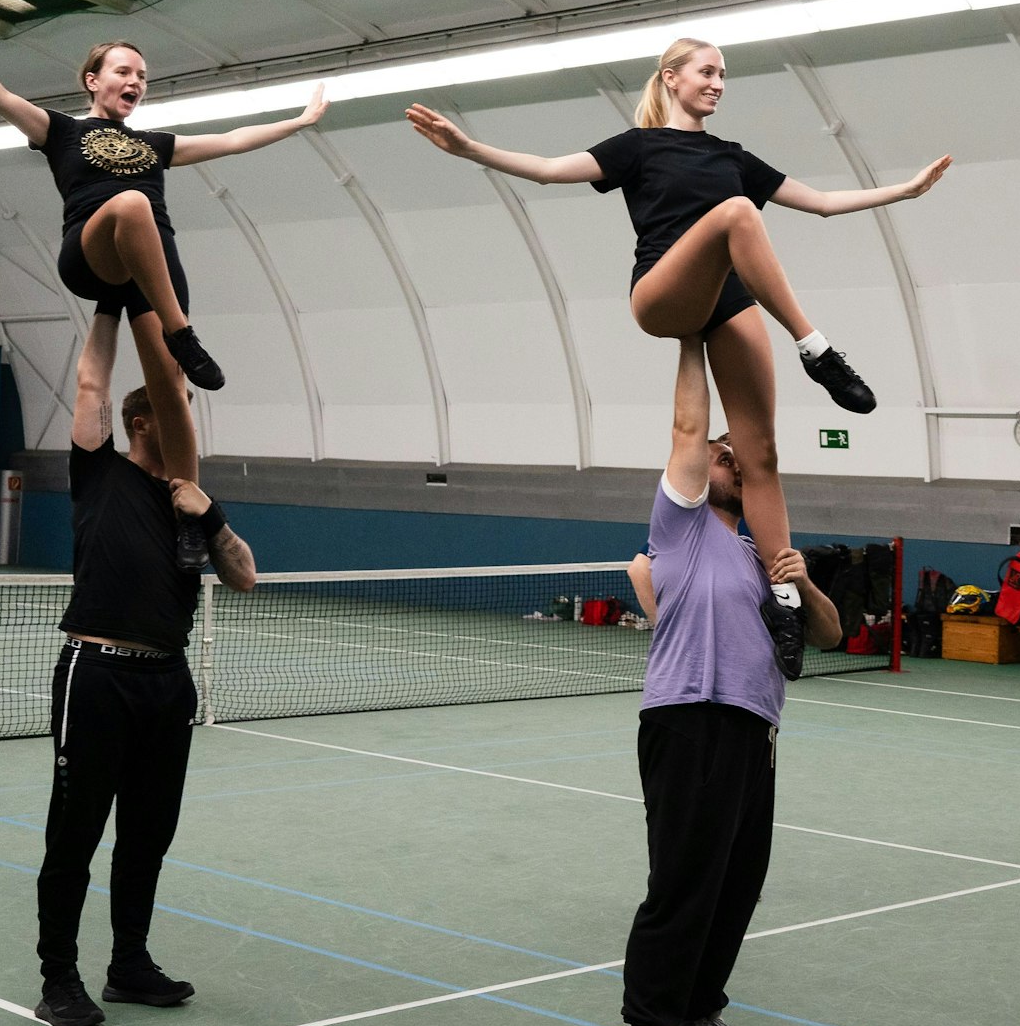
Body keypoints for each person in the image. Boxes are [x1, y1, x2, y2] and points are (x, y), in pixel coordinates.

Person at [407, 38, 950, 603]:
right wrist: (468, 148)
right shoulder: (638, 148)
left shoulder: (733, 157)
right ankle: (816, 349)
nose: (717, 83)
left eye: (723, 75)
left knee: (758, 452)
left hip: (725, 304)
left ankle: (784, 598)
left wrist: (905, 191)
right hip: (663, 292)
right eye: (707, 72)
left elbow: (821, 202)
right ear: (671, 78)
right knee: (737, 211)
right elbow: (547, 170)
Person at [0, 41, 324, 563]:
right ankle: (183, 334)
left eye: (143, 76)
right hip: (94, 249)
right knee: (130, 201)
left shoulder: (154, 144)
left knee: (169, 389)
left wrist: (299, 122)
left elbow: (233, 139)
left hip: (155, 268)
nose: (136, 82)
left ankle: (189, 514)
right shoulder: (61, 132)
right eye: (124, 71)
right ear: (92, 80)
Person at [615, 337, 841, 1026]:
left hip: (754, 730)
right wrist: (692, 336)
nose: (729, 457)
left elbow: (832, 635)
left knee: (736, 883)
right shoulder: (681, 527)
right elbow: (689, 431)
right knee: (680, 880)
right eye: (723, 452)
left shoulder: (756, 555)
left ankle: (698, 1020)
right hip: (686, 718)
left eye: (735, 457)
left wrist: (803, 585)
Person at [32, 313, 256, 1026]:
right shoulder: (98, 470)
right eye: (175, 403)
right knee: (75, 834)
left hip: (167, 683)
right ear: (138, 420)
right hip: (96, 677)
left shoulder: (187, 501)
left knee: (147, 835)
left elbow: (245, 578)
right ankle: (58, 978)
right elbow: (91, 379)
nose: (185, 413)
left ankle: (129, 963)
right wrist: (106, 305)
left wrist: (211, 513)